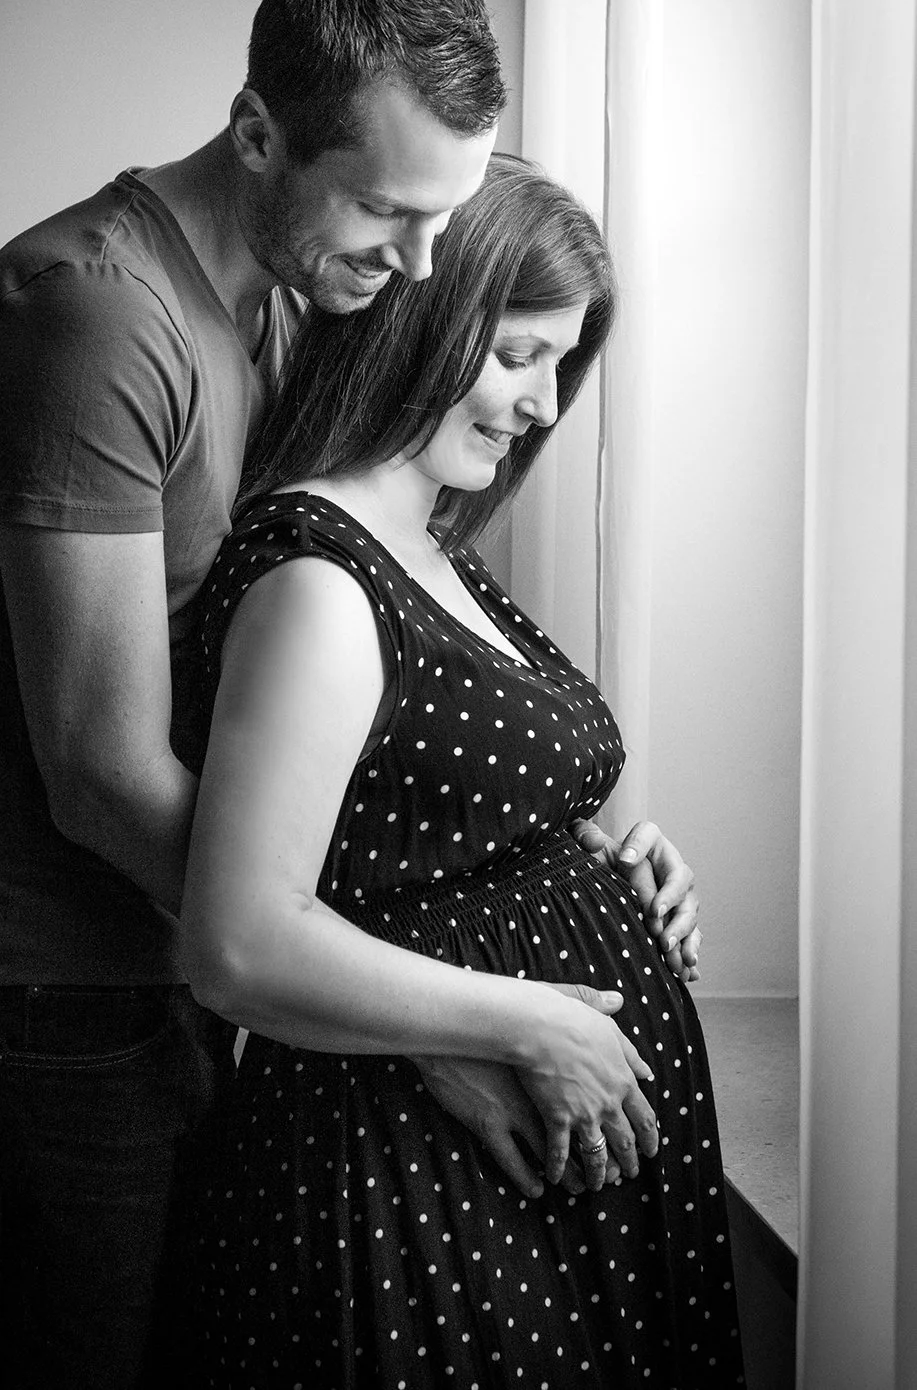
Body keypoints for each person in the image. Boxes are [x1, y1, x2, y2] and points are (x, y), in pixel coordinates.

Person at [0, 0, 508, 1390]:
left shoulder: (290, 295)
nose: (411, 266)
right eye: (384, 214)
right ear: (259, 132)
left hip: (168, 988)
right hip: (28, 1012)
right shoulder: (94, 318)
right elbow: (98, 776)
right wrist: (383, 1002)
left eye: (439, 224)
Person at [162, 154, 745, 1386]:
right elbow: (237, 940)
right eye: (516, 354)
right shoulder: (318, 582)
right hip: (407, 1176)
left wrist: (597, 855)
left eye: (561, 365)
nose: (541, 404)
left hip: (519, 1177)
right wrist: (530, 1015)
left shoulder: (424, 545)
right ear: (425, 324)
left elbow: (414, 816)